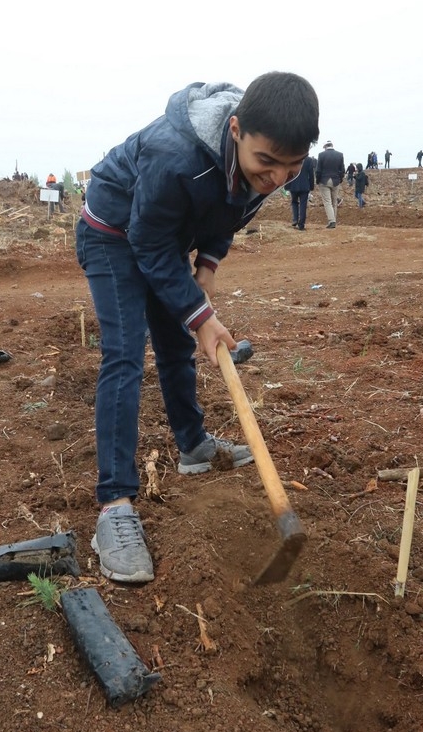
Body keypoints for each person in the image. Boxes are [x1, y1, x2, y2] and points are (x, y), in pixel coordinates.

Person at [76, 73, 319, 582]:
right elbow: (145, 240)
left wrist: (206, 266)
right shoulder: (176, 156)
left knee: (175, 344)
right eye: (267, 163)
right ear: (235, 131)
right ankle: (114, 509)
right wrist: (201, 314)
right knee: (125, 352)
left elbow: (227, 211)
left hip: (164, 235)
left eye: (292, 167)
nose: (278, 178)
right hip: (115, 232)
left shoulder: (270, 165)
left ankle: (193, 446)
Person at [315, 140, 345, 228]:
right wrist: (340, 179)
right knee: (334, 201)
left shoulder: (321, 155)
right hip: (336, 180)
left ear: (325, 147)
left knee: (327, 202)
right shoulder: (340, 154)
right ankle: (333, 220)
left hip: (324, 180)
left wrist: (318, 180)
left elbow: (318, 170)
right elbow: (342, 169)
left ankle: (332, 221)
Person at [288, 153, 316, 230]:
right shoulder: (309, 160)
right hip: (305, 186)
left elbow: (288, 172)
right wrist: (311, 186)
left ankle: (295, 219)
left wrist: (287, 186)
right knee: (303, 205)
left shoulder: (291, 158)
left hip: (293, 185)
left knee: (294, 202)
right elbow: (311, 174)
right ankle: (301, 225)